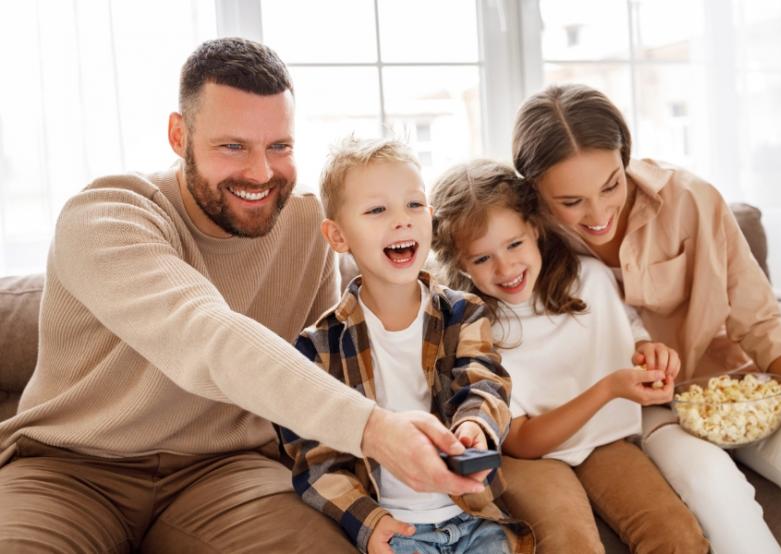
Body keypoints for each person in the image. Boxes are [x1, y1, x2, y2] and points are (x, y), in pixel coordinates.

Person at [0, 38, 484, 553]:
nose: (261, 173)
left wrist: (366, 506)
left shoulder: (304, 226)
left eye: (279, 146)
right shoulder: (106, 214)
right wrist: (375, 430)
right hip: (71, 469)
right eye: (233, 146)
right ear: (178, 134)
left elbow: (322, 374)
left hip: (227, 471)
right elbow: (203, 333)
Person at [509, 83, 781, 553]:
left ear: (625, 157)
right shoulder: (525, 246)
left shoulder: (691, 200)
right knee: (714, 487)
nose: (598, 212)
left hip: (729, 390)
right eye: (571, 202)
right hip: (642, 416)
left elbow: (762, 322)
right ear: (535, 193)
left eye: (612, 184)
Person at [430, 159, 708, 554]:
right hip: (529, 459)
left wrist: (652, 355)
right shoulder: (471, 326)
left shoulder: (591, 280)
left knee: (677, 536)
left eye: (514, 244)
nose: (506, 267)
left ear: (535, 229)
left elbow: (631, 337)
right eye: (482, 258)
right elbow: (524, 442)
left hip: (605, 442)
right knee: (570, 545)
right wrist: (610, 389)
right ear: (460, 263)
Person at [278, 138, 532, 554]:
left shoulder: (463, 315)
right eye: (378, 210)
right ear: (338, 236)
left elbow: (485, 382)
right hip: (397, 530)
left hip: (472, 518)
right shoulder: (318, 348)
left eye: (414, 205)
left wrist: (475, 427)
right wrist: (369, 521)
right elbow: (314, 459)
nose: (402, 221)